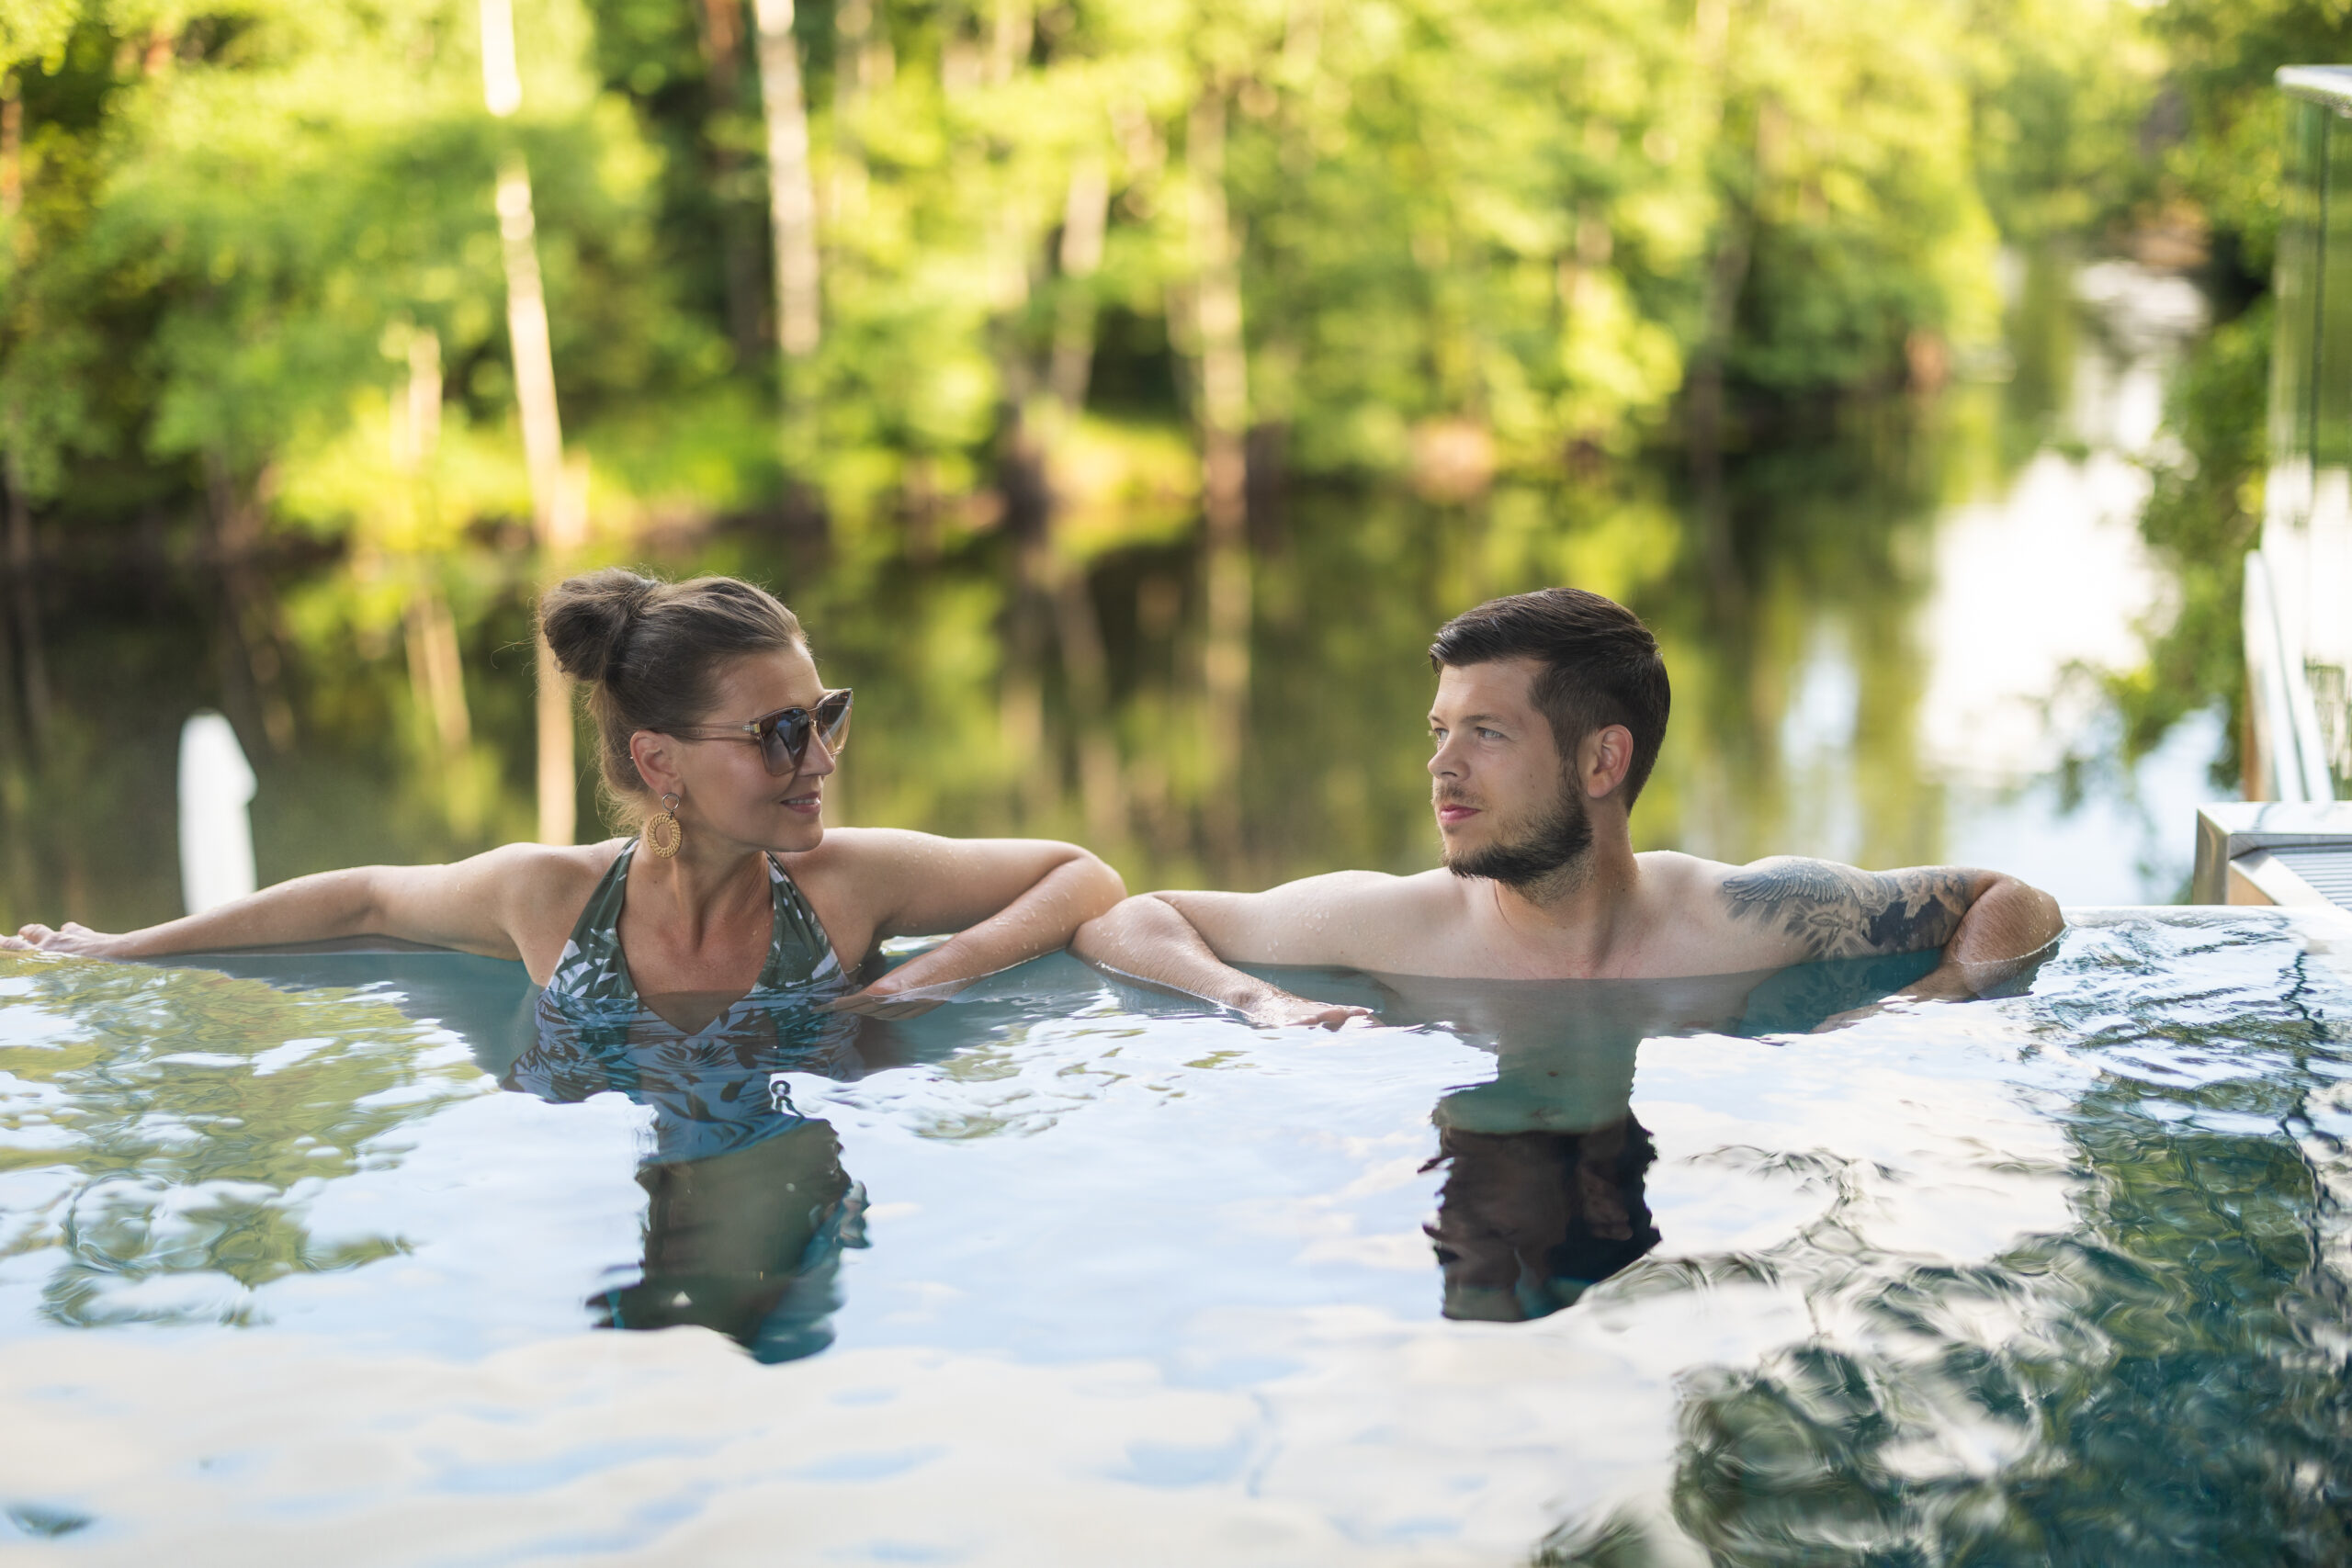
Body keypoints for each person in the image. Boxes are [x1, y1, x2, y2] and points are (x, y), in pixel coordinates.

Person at [5, 570, 1127, 1024]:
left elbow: (1083, 873)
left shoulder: (846, 886)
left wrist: (911, 986)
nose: (820, 758)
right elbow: (355, 902)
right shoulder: (547, 900)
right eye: (782, 732)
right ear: (659, 764)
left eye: (825, 713)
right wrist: (125, 948)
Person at [1072, 587, 2064, 1027]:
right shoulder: (1391, 925)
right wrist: (1258, 1003)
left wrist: (1928, 1003)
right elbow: (1130, 919)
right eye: (1438, 732)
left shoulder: (1747, 919)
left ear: (1602, 761)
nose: (1441, 769)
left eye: (1486, 734)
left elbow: (2007, 897)